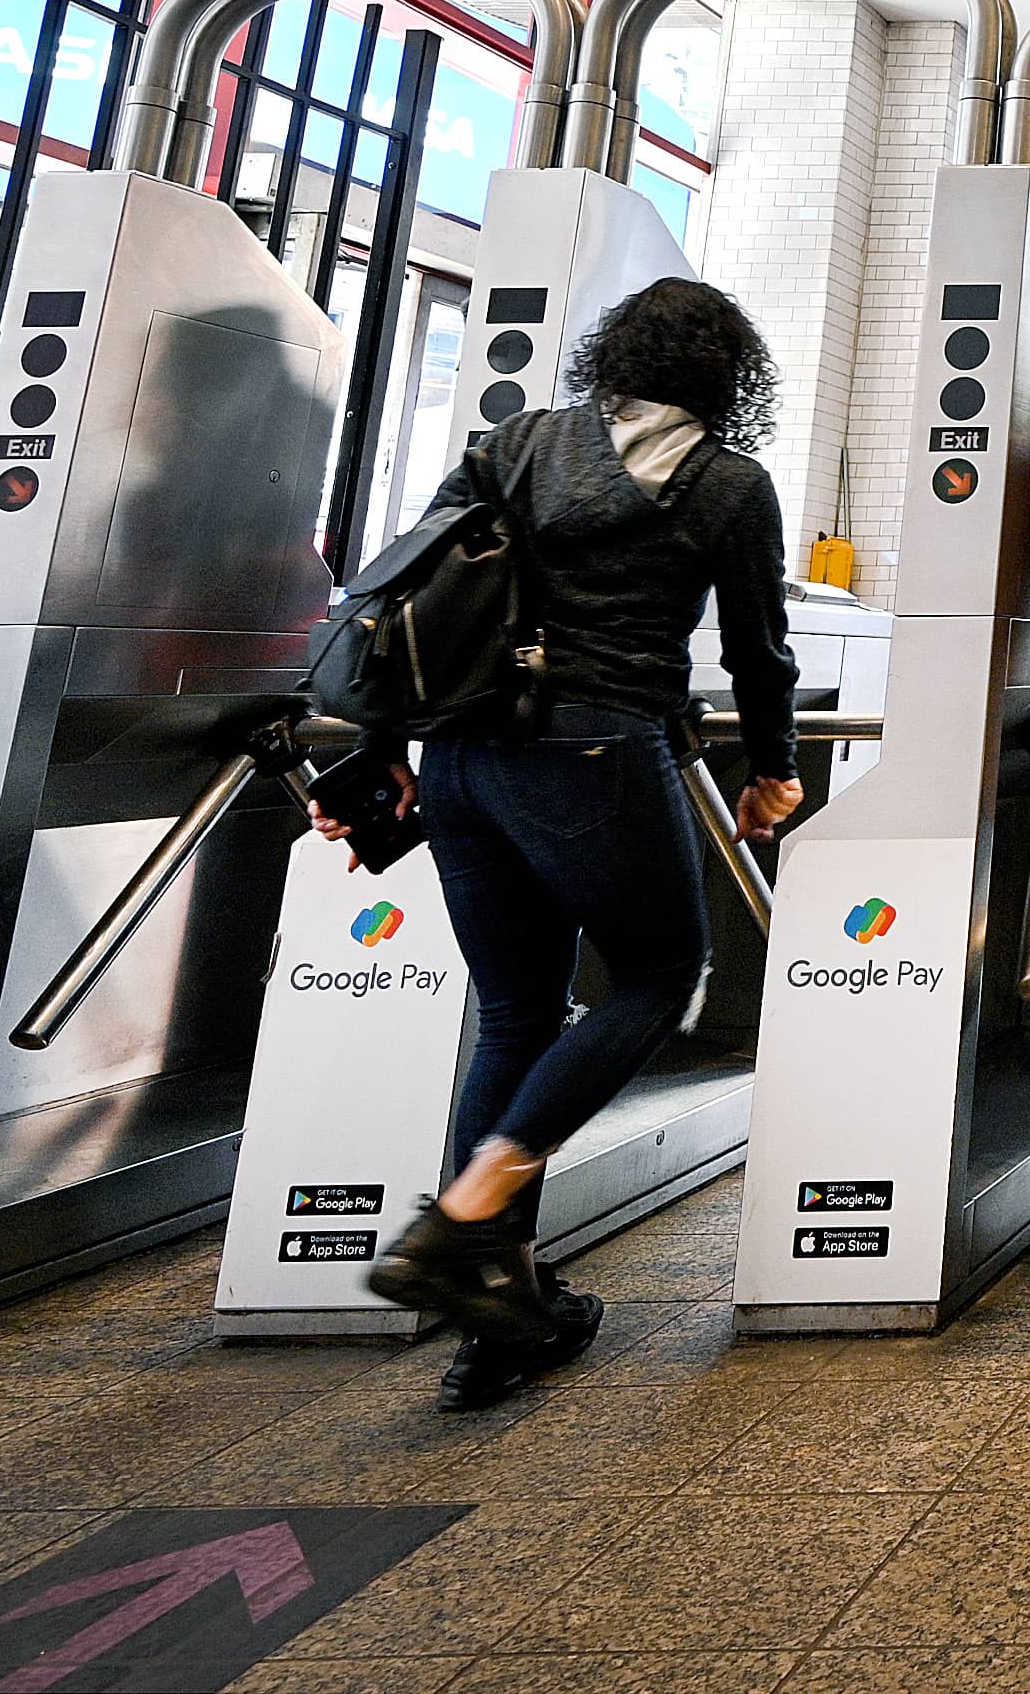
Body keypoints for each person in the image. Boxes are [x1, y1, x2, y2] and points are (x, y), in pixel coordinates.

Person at [344, 278, 802, 1410]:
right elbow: (759, 652)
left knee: (514, 1013)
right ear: (728, 378)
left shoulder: (514, 443)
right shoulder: (728, 483)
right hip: (593, 750)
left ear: (613, 355)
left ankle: (499, 1313)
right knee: (658, 973)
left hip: (462, 754)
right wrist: (777, 769)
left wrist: (387, 743)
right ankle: (467, 1217)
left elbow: (412, 587)